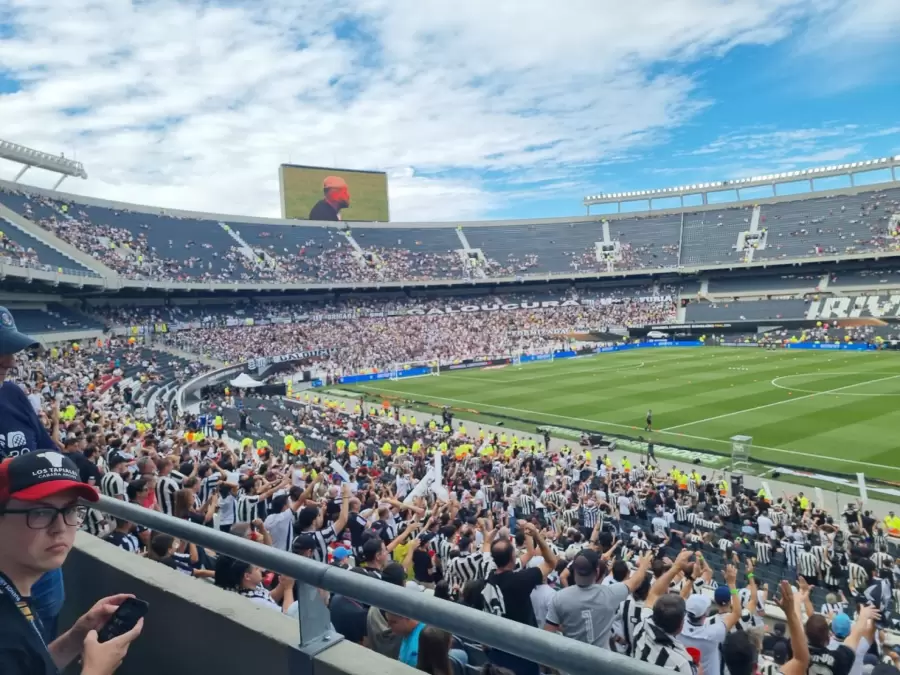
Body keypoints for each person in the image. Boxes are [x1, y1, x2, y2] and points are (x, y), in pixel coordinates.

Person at [0, 451, 144, 675]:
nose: (60, 527)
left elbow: (30, 666)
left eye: (70, 510)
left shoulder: (14, 595)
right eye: (40, 512)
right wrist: (96, 670)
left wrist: (78, 635)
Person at [0, 309, 65, 641]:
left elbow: (47, 453)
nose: (10, 362)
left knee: (45, 634)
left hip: (41, 553)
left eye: (11, 351)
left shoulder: (12, 394)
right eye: (0, 352)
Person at [544, 550, 652, 652]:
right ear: (597, 571)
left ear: (574, 571)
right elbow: (635, 581)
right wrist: (643, 566)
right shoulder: (610, 593)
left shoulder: (559, 597)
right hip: (600, 665)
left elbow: (547, 638)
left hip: (570, 664)